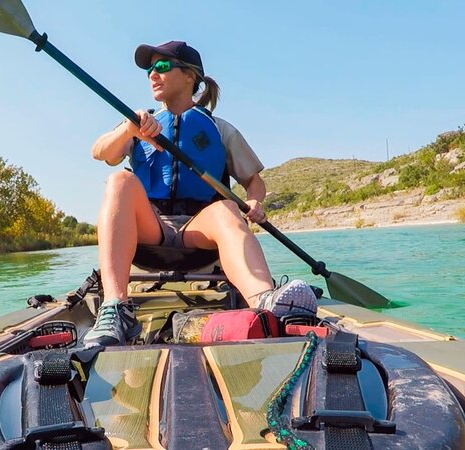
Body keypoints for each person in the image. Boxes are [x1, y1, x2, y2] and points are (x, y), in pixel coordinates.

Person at [86, 41, 317, 347]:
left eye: (163, 66)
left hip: (199, 229)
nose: (153, 73)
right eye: (150, 69)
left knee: (226, 209)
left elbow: (253, 181)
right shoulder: (138, 123)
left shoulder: (220, 130)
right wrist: (129, 130)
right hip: (150, 228)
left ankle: (264, 302)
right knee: (118, 181)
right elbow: (99, 151)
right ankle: (116, 309)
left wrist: (255, 202)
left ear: (190, 76)